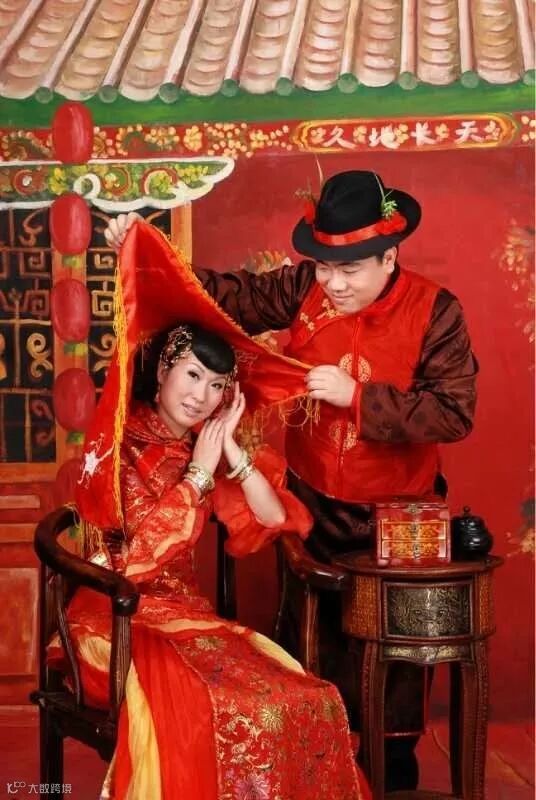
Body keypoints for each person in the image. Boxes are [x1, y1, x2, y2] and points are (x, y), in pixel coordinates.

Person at [105, 169, 478, 791]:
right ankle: (315, 769)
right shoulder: (305, 286)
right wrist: (144, 256)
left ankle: (393, 773)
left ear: (389, 257)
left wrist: (358, 397)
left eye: (349, 270)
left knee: (397, 670)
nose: (332, 283)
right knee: (311, 648)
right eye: (324, 268)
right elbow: (229, 298)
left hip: (397, 516)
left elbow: (454, 412)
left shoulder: (437, 311)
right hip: (311, 503)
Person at [50, 322, 370, 800]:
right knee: (203, 705)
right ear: (163, 371)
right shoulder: (119, 444)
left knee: (305, 698)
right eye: (193, 375)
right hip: (114, 619)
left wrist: (231, 450)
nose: (201, 396)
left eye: (217, 385)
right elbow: (134, 563)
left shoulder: (201, 445)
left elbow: (271, 516)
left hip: (186, 616)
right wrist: (197, 475)